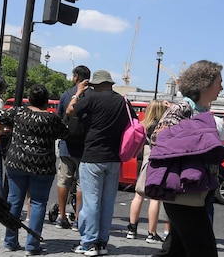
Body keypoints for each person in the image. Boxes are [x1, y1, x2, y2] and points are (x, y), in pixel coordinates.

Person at [147, 61, 224, 257]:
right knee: (204, 251)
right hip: (182, 191)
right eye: (219, 82)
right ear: (204, 84)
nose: (222, 87)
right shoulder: (182, 108)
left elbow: (210, 163)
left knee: (175, 251)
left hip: (194, 191)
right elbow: (158, 139)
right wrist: (197, 140)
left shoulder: (203, 112)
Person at [66, 69, 134, 256]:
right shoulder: (122, 101)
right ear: (110, 84)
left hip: (93, 156)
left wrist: (78, 93)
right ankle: (102, 243)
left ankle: (88, 243)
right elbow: (133, 123)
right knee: (107, 202)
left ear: (95, 85)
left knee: (91, 202)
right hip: (114, 159)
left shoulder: (92, 98)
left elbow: (70, 111)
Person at [0, 84, 68, 254]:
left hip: (16, 162)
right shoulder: (51, 119)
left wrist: (9, 129)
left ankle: (10, 241)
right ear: (46, 102)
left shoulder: (19, 112)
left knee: (14, 201)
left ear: (30, 99)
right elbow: (65, 132)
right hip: (42, 166)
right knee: (38, 203)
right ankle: (32, 246)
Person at [54, 65, 90, 229]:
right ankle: (78, 219)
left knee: (63, 181)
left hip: (67, 145)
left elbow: (59, 117)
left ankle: (61, 216)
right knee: (81, 184)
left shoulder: (67, 95)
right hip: (85, 147)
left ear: (76, 77)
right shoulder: (93, 96)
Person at [127, 99, 168, 243]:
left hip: (143, 160)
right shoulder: (162, 127)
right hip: (156, 161)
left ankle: (132, 229)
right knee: (155, 198)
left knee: (138, 195)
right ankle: (151, 233)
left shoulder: (144, 125)